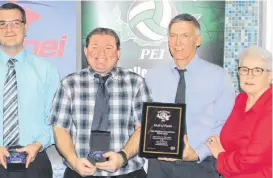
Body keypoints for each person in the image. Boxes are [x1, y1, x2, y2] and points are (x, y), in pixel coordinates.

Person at [0, 3, 60, 178]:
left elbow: (56, 119)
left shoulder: (47, 70)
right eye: (2, 24)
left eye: (15, 23)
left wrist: (37, 145)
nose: (9, 29)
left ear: (25, 27)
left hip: (35, 160)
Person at [144, 13, 236, 178]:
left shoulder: (219, 77)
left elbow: (227, 124)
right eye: (173, 36)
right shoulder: (153, 76)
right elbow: (144, 119)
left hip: (200, 165)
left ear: (198, 40)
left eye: (185, 36)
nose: (177, 42)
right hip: (158, 166)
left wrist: (198, 153)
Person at [50, 28, 149, 178]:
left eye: (108, 48)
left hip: (127, 172)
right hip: (79, 171)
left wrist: (123, 157)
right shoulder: (69, 83)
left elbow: (143, 128)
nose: (101, 53)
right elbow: (60, 129)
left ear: (118, 53)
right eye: (95, 47)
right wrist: (74, 161)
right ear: (86, 51)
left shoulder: (136, 83)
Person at [205, 46, 272, 178]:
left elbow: (249, 160)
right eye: (244, 70)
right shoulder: (240, 100)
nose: (249, 75)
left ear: (270, 75)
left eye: (257, 70)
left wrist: (220, 155)